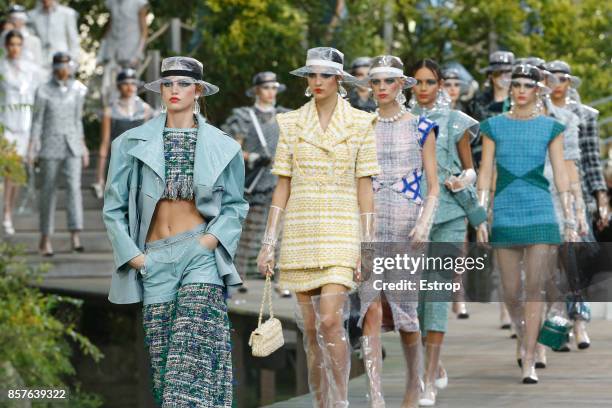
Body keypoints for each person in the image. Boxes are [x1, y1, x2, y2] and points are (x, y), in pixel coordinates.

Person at [103, 56, 248, 406]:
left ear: (198, 90)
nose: (174, 90)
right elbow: (113, 208)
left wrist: (208, 242)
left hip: (199, 255)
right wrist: (135, 257)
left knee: (190, 354)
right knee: (165, 363)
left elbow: (235, 205)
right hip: (153, 259)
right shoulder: (130, 143)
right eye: (167, 83)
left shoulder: (223, 145)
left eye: (183, 84)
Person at [257, 47, 380, 407]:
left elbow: (365, 185)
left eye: (325, 75)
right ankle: (320, 400)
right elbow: (282, 183)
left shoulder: (360, 122)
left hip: (343, 227)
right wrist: (268, 243)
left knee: (329, 320)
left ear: (339, 79)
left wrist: (368, 245)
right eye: (312, 75)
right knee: (310, 331)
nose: (317, 81)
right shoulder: (291, 122)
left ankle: (340, 400)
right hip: (301, 227)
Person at [477, 64, 578, 384]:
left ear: (538, 90)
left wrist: (570, 214)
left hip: (541, 209)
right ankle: (524, 338)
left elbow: (561, 171)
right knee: (510, 291)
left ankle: (530, 357)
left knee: (534, 289)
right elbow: (485, 171)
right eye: (515, 84)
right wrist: (481, 213)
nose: (520, 90)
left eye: (527, 85)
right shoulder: (493, 126)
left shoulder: (551, 127)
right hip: (505, 209)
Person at [358, 55, 439, 408]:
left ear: (401, 85)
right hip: (371, 223)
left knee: (406, 312)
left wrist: (424, 222)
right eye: (375, 82)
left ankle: (413, 382)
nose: (381, 88)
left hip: (409, 226)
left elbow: (433, 186)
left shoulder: (422, 127)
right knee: (369, 307)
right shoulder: (362, 126)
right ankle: (375, 395)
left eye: (388, 82)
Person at [409, 58, 487, 405]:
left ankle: (427, 378)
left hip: (451, 214)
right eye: (418, 82)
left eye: (429, 81)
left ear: (440, 84)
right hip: (411, 215)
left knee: (438, 293)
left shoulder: (456, 121)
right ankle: (433, 366)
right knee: (414, 300)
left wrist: (462, 179)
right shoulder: (399, 122)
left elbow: (471, 169)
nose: (423, 88)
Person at [545, 59, 610, 351]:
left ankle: (579, 320)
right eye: (550, 78)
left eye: (562, 78)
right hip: (543, 192)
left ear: (569, 82)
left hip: (575, 193)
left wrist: (601, 198)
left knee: (574, 261)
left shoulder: (584, 116)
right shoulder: (538, 113)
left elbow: (592, 160)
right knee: (549, 266)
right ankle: (557, 328)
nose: (556, 84)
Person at [221, 71, 290, 295]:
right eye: (266, 87)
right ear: (256, 90)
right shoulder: (244, 117)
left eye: (274, 87)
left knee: (280, 231)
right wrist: (252, 157)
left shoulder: (286, 117)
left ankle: (280, 280)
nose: (271, 92)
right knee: (247, 232)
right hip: (253, 182)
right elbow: (231, 149)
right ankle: (239, 275)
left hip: (279, 180)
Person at [27, 52, 88, 256]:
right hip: (49, 145)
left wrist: (83, 145)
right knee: (48, 191)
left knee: (74, 189)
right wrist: (32, 146)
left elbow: (78, 120)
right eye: (60, 66)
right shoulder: (43, 90)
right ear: (54, 67)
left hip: (72, 145)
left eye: (66, 66)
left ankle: (75, 236)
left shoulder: (78, 89)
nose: (63, 70)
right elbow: (37, 121)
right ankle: (45, 238)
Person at [0, 30, 43, 235]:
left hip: (24, 128)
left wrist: (35, 135)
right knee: (8, 169)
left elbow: (38, 101)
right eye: (11, 44)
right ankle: (6, 212)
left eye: (18, 44)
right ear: (6, 45)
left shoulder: (31, 70)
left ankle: (8, 211)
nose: (14, 48)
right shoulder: (1, 66)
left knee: (15, 173)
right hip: (5, 126)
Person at [92, 68, 153, 199]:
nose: (129, 87)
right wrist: (99, 178)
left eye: (133, 83)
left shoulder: (146, 110)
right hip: (117, 163)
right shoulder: (109, 111)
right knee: (117, 206)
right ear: (119, 86)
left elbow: (150, 143)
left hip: (139, 162)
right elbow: (104, 143)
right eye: (125, 83)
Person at [98, 0, 149, 105]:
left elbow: (144, 31)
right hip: (113, 52)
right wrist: (101, 51)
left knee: (129, 91)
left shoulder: (139, 2)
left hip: (131, 53)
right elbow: (110, 25)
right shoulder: (111, 2)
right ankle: (110, 118)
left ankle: (128, 119)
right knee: (108, 90)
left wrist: (138, 54)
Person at [27, 0, 80, 74]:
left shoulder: (67, 13)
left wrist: (73, 61)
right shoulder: (32, 15)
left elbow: (73, 41)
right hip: (41, 62)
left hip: (62, 61)